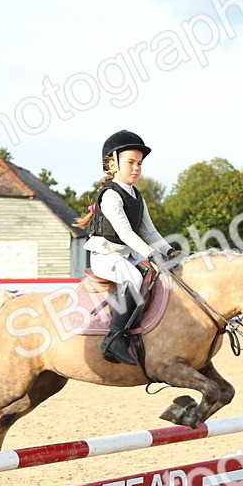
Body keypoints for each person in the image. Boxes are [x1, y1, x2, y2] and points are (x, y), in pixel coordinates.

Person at [75, 130, 177, 365]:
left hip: (124, 255)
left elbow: (150, 231)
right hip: (104, 256)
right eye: (130, 162)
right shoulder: (111, 194)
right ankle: (114, 340)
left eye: (139, 164)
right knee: (132, 276)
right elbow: (126, 233)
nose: (136, 169)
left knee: (157, 276)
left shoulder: (137, 196)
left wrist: (170, 251)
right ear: (112, 163)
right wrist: (152, 254)